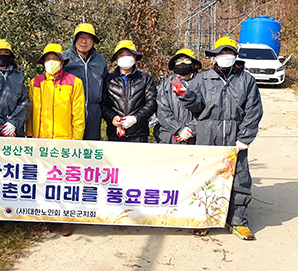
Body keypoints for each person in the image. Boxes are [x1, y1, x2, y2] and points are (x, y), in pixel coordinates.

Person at [174, 36, 263, 240]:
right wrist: (186, 96)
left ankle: (238, 221)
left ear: (235, 55)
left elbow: (253, 110)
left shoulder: (246, 80)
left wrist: (245, 137)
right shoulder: (202, 78)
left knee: (239, 178)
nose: (225, 57)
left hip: (235, 133)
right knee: (206, 177)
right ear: (214, 56)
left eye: (229, 53)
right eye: (221, 53)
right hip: (208, 132)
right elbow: (197, 108)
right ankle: (204, 218)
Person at [26, 43, 85, 237]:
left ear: (62, 61)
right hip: (41, 140)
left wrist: (75, 141)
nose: (51, 62)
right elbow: (30, 111)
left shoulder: (74, 82)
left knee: (65, 181)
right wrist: (29, 136)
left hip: (64, 141)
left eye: (55, 59)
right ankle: (45, 214)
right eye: (48, 59)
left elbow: (78, 116)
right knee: (43, 178)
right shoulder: (35, 82)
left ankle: (66, 219)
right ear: (43, 62)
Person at [102, 40, 157, 143]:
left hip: (139, 133)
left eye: (129, 54)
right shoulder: (109, 79)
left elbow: (152, 103)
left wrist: (135, 118)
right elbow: (103, 104)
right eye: (121, 55)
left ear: (135, 57)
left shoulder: (145, 78)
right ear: (117, 58)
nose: (125, 57)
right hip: (115, 133)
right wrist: (112, 118)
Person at [63, 23, 109, 140]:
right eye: (81, 37)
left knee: (91, 148)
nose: (84, 41)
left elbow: (105, 85)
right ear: (74, 40)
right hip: (70, 111)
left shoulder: (99, 60)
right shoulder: (65, 59)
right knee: (70, 147)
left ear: (93, 41)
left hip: (94, 111)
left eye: (88, 38)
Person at [153, 49, 201, 144]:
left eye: (187, 60)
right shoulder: (167, 85)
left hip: (196, 138)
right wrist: (179, 129)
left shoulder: (203, 83)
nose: (182, 63)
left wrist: (192, 129)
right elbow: (162, 111)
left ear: (194, 64)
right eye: (178, 61)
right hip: (170, 137)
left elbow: (207, 110)